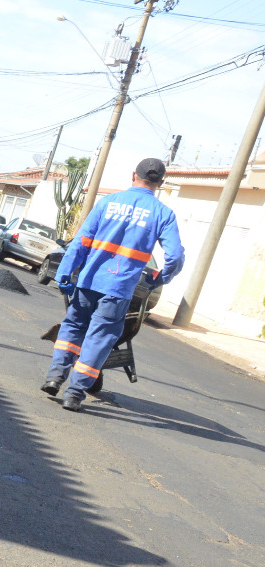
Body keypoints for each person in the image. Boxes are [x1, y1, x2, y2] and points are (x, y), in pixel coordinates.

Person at [41, 157, 184, 412]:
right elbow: (174, 256)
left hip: (89, 281)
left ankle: (54, 377)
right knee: (99, 338)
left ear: (133, 175)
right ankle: (73, 394)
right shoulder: (163, 214)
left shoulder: (108, 202)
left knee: (73, 327)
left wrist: (64, 271)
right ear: (160, 183)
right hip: (118, 290)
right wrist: (161, 278)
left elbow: (81, 242)